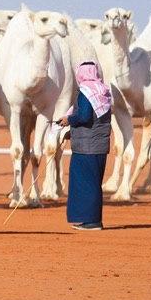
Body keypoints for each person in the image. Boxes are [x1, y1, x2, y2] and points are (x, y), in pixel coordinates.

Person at [57, 60, 113, 230]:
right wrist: (71, 133)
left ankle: (91, 222)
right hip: (99, 147)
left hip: (86, 149)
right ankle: (92, 219)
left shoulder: (86, 93)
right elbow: (96, 121)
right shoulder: (103, 92)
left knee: (85, 184)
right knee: (94, 183)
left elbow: (84, 116)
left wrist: (68, 120)